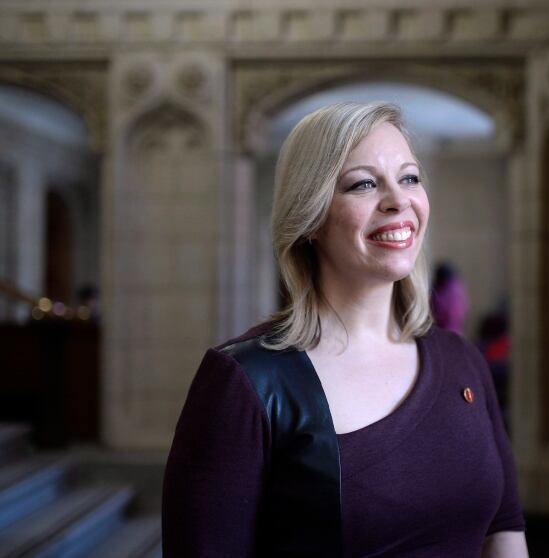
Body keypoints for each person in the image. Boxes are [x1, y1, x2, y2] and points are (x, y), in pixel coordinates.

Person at [162, 102, 529, 557]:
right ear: (310, 217)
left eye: (409, 178)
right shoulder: (246, 381)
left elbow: (504, 529)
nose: (399, 200)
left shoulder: (462, 359)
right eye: (364, 184)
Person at [431, 261, 469, 335]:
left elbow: (439, 312)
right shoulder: (458, 288)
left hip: (442, 331)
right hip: (456, 331)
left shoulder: (442, 292)